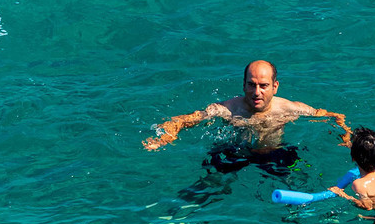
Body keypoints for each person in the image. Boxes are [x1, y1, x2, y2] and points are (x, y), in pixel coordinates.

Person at [143, 60, 349, 168]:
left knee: (299, 179)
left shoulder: (289, 108)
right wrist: (166, 137)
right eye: (251, 85)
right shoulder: (228, 109)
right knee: (210, 181)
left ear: (275, 87)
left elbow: (334, 116)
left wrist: (346, 135)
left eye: (263, 86)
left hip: (274, 153)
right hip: (236, 153)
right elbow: (183, 120)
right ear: (243, 85)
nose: (256, 92)